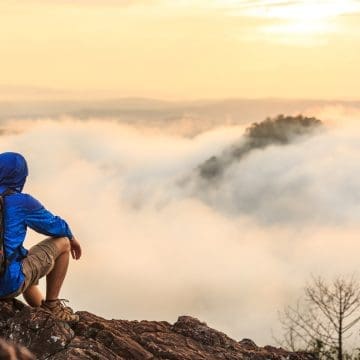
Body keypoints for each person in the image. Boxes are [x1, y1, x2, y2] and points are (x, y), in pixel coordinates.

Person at [0, 152, 81, 322]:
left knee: (23, 258)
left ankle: (42, 314)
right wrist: (72, 238)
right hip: (6, 284)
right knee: (63, 243)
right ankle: (52, 305)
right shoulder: (21, 202)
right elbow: (56, 227)